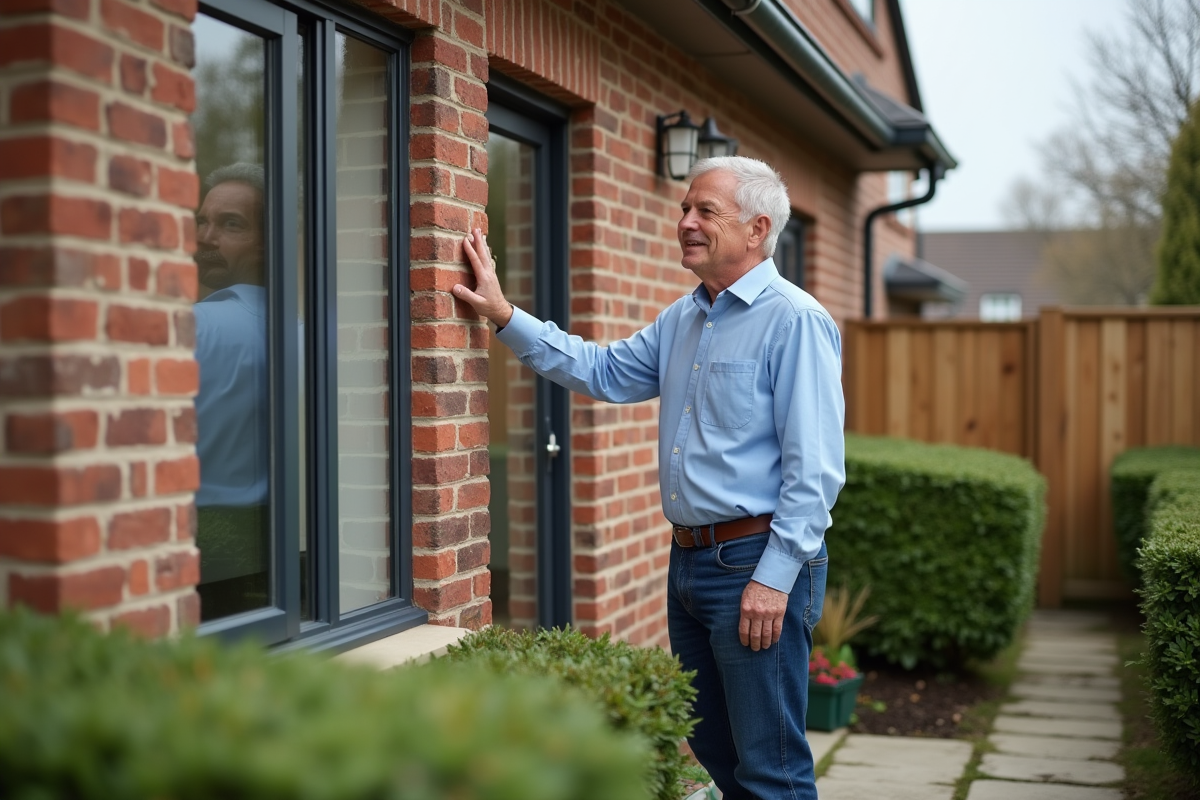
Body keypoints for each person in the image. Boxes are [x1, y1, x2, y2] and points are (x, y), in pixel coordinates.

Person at [454, 155, 846, 799]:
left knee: (771, 766)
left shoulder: (795, 321)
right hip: (689, 563)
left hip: (755, 564)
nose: (685, 221)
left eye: (705, 211)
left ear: (757, 229)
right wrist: (504, 314)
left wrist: (773, 580)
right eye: (685, 208)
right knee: (717, 750)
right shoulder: (684, 318)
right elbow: (603, 371)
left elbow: (816, 471)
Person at [192, 162, 270, 620]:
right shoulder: (308, 337)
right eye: (202, 220)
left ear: (268, 241)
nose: (205, 237)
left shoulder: (190, 328)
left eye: (230, 224)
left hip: (198, 551)